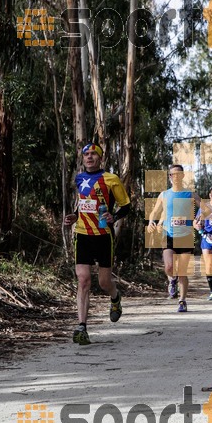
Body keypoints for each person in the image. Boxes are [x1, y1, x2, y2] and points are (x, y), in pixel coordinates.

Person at [64, 143, 131, 345]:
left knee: (103, 282)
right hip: (82, 234)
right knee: (83, 280)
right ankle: (82, 327)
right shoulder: (79, 178)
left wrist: (114, 216)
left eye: (93, 154)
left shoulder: (111, 179)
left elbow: (126, 206)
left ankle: (115, 297)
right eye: (86, 154)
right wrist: (74, 217)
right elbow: (84, 205)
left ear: (100, 158)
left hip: (103, 235)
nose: (89, 157)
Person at [147, 164, 201, 312]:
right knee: (169, 267)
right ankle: (172, 280)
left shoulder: (191, 194)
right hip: (168, 234)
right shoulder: (164, 194)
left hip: (186, 236)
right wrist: (151, 221)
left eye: (178, 174)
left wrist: (198, 219)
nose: (175, 177)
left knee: (182, 271)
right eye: (172, 175)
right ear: (169, 177)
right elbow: (154, 212)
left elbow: (205, 208)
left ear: (183, 176)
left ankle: (182, 301)